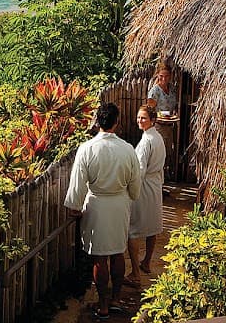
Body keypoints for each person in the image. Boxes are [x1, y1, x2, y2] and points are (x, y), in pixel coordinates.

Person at [64, 103, 140, 319]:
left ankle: (103, 305)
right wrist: (130, 195)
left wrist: (75, 205)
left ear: (97, 122)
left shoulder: (87, 148)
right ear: (117, 122)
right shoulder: (128, 149)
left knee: (99, 257)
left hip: (97, 205)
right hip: (119, 205)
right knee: (118, 252)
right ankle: (116, 299)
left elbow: (78, 183)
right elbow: (135, 185)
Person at [124, 104, 166, 287]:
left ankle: (135, 273)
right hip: (155, 185)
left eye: (143, 118)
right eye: (138, 117)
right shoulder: (158, 138)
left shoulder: (146, 141)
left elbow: (139, 170)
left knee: (133, 230)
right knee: (152, 226)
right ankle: (146, 262)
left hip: (144, 187)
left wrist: (130, 189)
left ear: (153, 120)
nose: (140, 121)